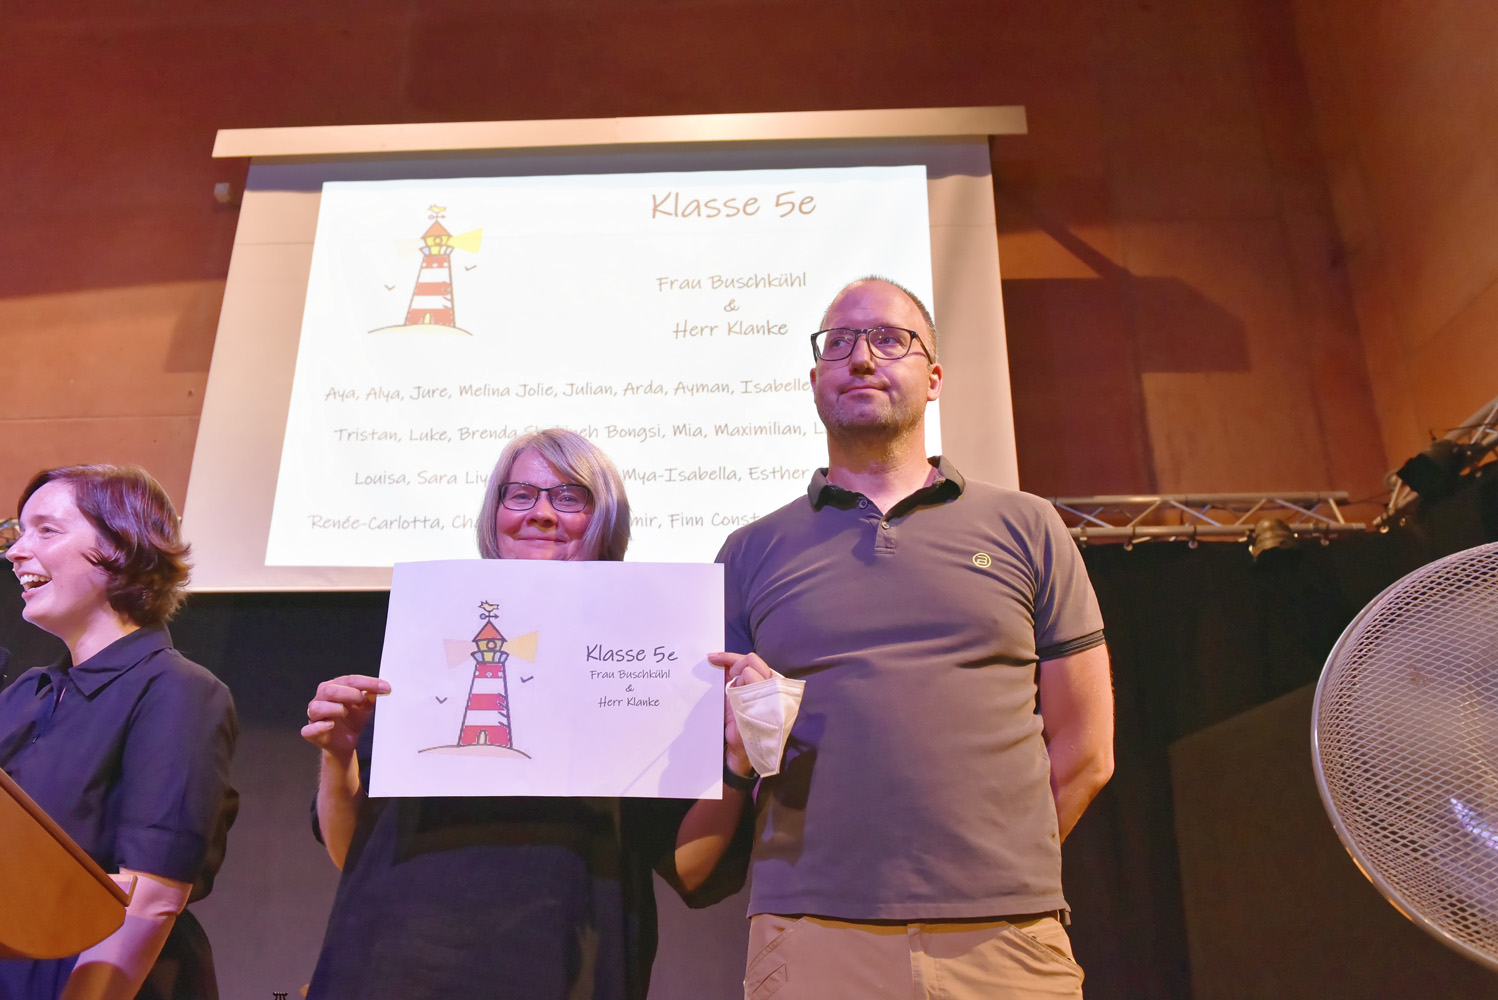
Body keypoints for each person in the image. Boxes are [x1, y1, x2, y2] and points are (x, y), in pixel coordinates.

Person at [706, 278, 1116, 999]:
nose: (862, 357)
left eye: (889, 339)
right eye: (839, 343)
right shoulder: (749, 552)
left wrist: (1001, 866)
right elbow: (722, 756)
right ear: (814, 381)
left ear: (934, 379)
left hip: (1006, 936)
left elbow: (1087, 748)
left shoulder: (1028, 526)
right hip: (810, 932)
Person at [301, 428, 750, 1000]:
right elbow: (350, 853)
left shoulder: (646, 658)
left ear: (605, 520)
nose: (541, 513)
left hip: (567, 967)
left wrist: (737, 763)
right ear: (495, 514)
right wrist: (338, 754)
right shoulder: (426, 633)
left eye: (570, 497)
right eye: (521, 495)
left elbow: (692, 869)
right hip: (396, 965)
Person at [0, 465, 238, 1000]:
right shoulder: (26, 694)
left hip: (95, 978)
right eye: (18, 533)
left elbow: (151, 896)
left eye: (46, 530)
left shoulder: (178, 691)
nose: (15, 552)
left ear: (122, 548)